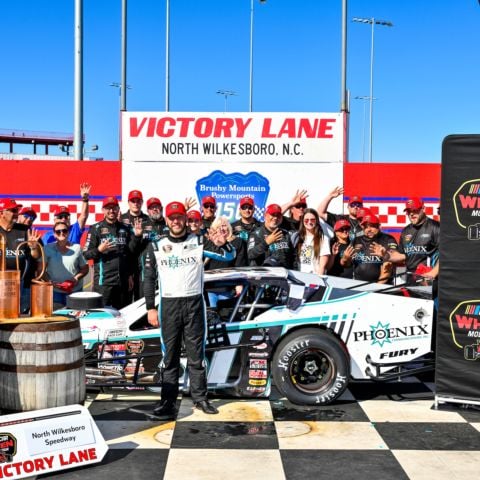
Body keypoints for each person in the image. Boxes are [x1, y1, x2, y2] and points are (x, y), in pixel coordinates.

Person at [143, 201, 236, 419]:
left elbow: (229, 257)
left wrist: (224, 244)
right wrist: (150, 308)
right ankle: (167, 402)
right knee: (170, 357)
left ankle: (201, 398)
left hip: (195, 304)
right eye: (172, 217)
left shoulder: (200, 241)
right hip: (168, 305)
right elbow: (148, 279)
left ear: (186, 219)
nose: (176, 221)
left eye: (180, 217)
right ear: (167, 220)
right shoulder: (156, 245)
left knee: (197, 355)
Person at [83, 196, 143, 309]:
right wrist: (99, 250)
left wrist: (137, 237)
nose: (111, 211)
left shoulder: (126, 228)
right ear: (103, 210)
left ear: (118, 209)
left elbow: (131, 253)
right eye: (108, 208)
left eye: (114, 208)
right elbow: (85, 254)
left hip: (123, 283)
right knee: (100, 315)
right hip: (103, 283)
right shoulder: (95, 229)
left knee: (123, 315)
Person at [370, 197, 440, 285]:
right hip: (411, 278)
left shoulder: (435, 227)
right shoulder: (406, 231)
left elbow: (446, 254)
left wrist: (433, 273)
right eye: (408, 211)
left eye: (415, 210)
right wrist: (386, 255)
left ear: (423, 209)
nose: (411, 214)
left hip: (430, 279)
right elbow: (402, 255)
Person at [0, 198, 41, 313]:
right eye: (13, 210)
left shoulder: (25, 230)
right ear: (2, 213)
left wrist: (34, 247)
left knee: (20, 317)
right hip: (0, 282)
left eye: (17, 210)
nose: (16, 214)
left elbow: (36, 256)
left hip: (21, 284)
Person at [44, 221, 89, 307]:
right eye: (58, 231)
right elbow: (41, 269)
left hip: (74, 291)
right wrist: (49, 282)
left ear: (68, 232)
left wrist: (76, 278)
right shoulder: (47, 248)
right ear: (54, 234)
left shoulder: (77, 248)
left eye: (64, 230)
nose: (61, 233)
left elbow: (85, 268)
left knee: (76, 317)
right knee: (56, 318)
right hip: (55, 291)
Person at [205, 216, 246, 307]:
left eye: (224, 226)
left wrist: (239, 283)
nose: (221, 229)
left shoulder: (238, 242)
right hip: (211, 287)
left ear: (229, 227)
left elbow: (240, 264)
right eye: (218, 227)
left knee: (227, 317)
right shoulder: (211, 243)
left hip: (228, 287)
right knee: (212, 317)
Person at [347, 214, 398, 284]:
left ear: (379, 226)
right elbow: (347, 264)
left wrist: (377, 287)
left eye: (372, 226)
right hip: (358, 286)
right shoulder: (356, 240)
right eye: (366, 226)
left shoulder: (388, 239)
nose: (369, 229)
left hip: (383, 288)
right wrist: (345, 259)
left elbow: (388, 268)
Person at [121, 189, 152, 301]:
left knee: (141, 300)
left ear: (142, 202)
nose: (135, 203)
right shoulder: (121, 219)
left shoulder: (148, 219)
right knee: (126, 302)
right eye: (133, 201)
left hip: (142, 266)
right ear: (128, 202)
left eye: (138, 201)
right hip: (125, 265)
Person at [248, 203, 294, 268]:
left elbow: (293, 257)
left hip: (283, 274)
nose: (275, 218)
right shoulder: (256, 234)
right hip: (264, 274)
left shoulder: (286, 234)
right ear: (265, 215)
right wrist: (266, 243)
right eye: (272, 215)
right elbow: (250, 254)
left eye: (278, 215)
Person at [292, 208, 330, 274]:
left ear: (317, 221)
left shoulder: (324, 239)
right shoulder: (296, 237)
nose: (309, 222)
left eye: (312, 220)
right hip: (298, 277)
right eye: (306, 220)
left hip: (314, 279)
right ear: (302, 221)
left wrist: (319, 281)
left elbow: (322, 266)